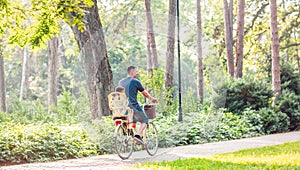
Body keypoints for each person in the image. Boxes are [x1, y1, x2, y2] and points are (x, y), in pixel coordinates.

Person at [119, 66, 158, 144]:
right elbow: (145, 94)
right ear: (132, 72)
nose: (137, 73)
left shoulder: (121, 82)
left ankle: (128, 137)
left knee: (132, 120)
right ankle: (138, 136)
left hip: (122, 107)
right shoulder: (135, 81)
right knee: (145, 120)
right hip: (133, 106)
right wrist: (152, 99)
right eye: (136, 71)